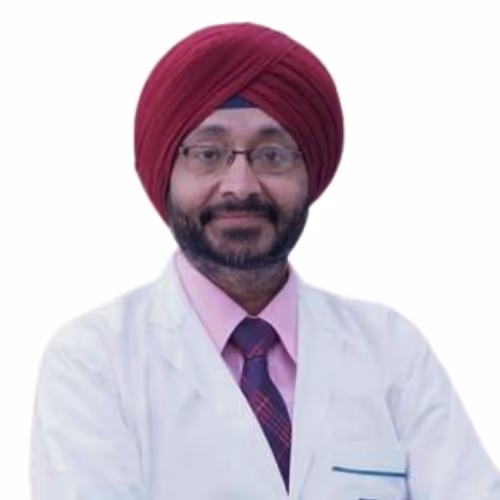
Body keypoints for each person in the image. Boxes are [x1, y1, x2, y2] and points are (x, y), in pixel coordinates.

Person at [30, 22, 500, 500]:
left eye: (272, 155)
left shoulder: (391, 350)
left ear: (309, 171)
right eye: (208, 153)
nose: (240, 185)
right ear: (166, 172)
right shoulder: (93, 362)